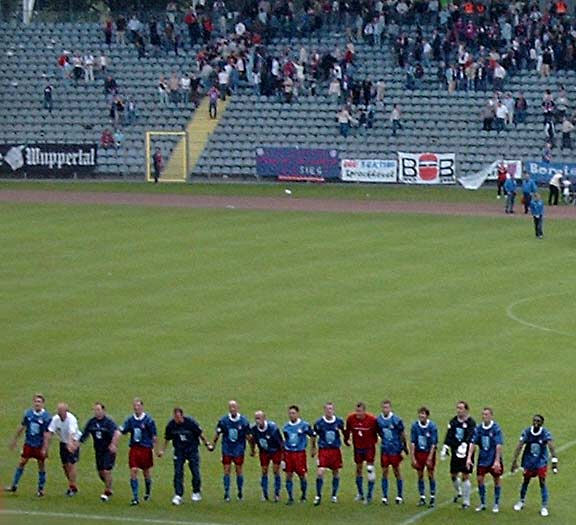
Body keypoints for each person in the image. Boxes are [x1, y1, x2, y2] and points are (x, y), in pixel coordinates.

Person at [159, 407, 212, 505]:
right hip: (179, 451)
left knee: (195, 471)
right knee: (178, 472)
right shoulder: (171, 425)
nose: (177, 419)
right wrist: (162, 450)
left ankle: (196, 491)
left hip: (192, 449)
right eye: (175, 417)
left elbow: (200, 434)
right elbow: (167, 439)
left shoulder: (191, 423)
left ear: (182, 416)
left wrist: (207, 444)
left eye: (178, 417)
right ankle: (178, 494)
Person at [511, 414, 558, 517]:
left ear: (542, 423)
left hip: (540, 462)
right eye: (534, 420)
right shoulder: (527, 432)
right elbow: (519, 446)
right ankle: (521, 501)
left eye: (538, 421)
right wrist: (514, 461)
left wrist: (554, 462)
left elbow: (551, 448)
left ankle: (544, 506)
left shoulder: (545, 433)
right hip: (529, 462)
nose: (536, 422)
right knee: (525, 481)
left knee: (542, 482)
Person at [5, 394, 51, 496]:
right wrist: (14, 440)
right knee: (21, 462)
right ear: (33, 403)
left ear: (43, 404)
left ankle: (41, 489)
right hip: (29, 444)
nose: (37, 403)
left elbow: (47, 434)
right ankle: (14, 485)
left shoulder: (46, 417)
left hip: (39, 445)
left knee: (41, 466)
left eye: (39, 402)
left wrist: (45, 448)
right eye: (36, 401)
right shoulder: (29, 414)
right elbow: (22, 427)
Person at [116, 398, 158, 506]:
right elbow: (122, 430)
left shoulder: (149, 420)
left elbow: (154, 436)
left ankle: (148, 491)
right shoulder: (130, 420)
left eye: (138, 406)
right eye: (135, 406)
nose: (136, 408)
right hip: (135, 449)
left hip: (146, 449)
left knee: (146, 472)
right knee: (133, 470)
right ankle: (135, 497)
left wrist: (155, 449)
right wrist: (115, 439)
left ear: (142, 407)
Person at [466, 407, 504, 513]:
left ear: (491, 416)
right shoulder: (479, 428)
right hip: (483, 459)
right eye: (483, 414)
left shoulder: (496, 428)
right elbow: (473, 443)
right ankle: (483, 503)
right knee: (479, 479)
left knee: (496, 480)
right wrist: (469, 457)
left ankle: (496, 503)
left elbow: (498, 445)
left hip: (493, 459)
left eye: (486, 414)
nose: (484, 416)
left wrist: (497, 461)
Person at [79, 402, 119, 501]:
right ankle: (108, 484)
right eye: (95, 410)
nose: (96, 412)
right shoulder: (92, 422)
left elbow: (116, 433)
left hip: (108, 450)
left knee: (106, 470)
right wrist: (77, 444)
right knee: (100, 472)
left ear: (103, 411)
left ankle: (107, 491)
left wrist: (113, 444)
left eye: (98, 410)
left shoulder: (108, 423)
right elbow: (85, 434)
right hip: (98, 450)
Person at [211, 400, 250, 502]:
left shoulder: (243, 421)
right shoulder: (224, 421)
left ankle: (240, 492)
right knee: (226, 470)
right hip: (227, 448)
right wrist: (213, 445)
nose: (232, 409)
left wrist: (252, 448)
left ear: (237, 408)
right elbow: (218, 433)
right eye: (231, 407)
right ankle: (227, 492)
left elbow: (248, 436)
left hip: (239, 449)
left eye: (234, 407)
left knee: (239, 470)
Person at [440, 401, 476, 509]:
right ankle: (459, 491)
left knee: (465, 475)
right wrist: (446, 446)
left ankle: (466, 501)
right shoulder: (453, 421)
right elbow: (449, 435)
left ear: (466, 410)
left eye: (461, 408)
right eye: (458, 408)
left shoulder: (471, 422)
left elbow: (471, 435)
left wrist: (465, 444)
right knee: (453, 475)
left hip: (467, 453)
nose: (459, 410)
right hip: (456, 452)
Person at [42, 403, 82, 496]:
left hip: (74, 441)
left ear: (66, 411)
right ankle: (72, 484)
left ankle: (71, 487)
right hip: (63, 442)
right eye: (58, 411)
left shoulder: (71, 419)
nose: (60, 413)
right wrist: (45, 448)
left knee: (71, 464)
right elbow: (50, 433)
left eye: (61, 411)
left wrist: (70, 444)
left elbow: (72, 433)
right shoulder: (55, 419)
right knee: (65, 465)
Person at [344, 402, 378, 504]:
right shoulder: (351, 419)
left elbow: (377, 432)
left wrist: (374, 442)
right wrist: (346, 440)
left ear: (364, 411)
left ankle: (369, 495)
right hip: (358, 448)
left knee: (370, 469)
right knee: (358, 469)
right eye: (357, 411)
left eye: (360, 411)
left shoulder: (372, 420)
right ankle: (360, 493)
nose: (358, 413)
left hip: (369, 448)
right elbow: (348, 431)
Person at [282, 405, 316, 504]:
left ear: (297, 413)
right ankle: (290, 497)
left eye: (293, 413)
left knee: (302, 475)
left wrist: (313, 448)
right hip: (289, 453)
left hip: (299, 453)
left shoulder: (304, 425)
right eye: (290, 413)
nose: (291, 415)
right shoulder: (286, 427)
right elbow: (285, 441)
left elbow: (313, 435)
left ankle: (303, 495)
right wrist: (283, 456)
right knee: (288, 475)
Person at [313, 402, 345, 506]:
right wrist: (313, 448)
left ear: (333, 410)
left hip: (335, 450)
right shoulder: (319, 423)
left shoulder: (339, 421)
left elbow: (344, 432)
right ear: (324, 410)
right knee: (320, 472)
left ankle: (334, 495)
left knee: (335, 472)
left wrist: (346, 440)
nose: (329, 411)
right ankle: (318, 495)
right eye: (327, 409)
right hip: (324, 450)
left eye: (331, 409)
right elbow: (314, 435)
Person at [376, 400, 407, 505]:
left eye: (387, 407)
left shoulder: (396, 420)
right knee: (384, 472)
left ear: (390, 408)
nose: (385, 409)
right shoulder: (379, 420)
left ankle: (399, 495)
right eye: (384, 407)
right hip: (385, 449)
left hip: (395, 449)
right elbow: (379, 432)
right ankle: (384, 496)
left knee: (397, 471)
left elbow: (402, 433)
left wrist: (403, 447)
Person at [249, 411, 284, 502]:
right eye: (256, 418)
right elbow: (252, 440)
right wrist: (252, 450)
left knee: (276, 471)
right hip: (264, 452)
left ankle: (277, 493)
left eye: (259, 418)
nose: (257, 421)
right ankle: (264, 493)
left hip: (275, 451)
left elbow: (280, 443)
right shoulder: (254, 429)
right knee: (264, 471)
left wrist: (284, 457)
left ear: (264, 418)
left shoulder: (273, 428)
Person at [410, 406, 438, 508]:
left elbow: (434, 444)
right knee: (420, 474)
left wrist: (430, 457)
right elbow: (413, 442)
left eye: (423, 414)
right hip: (419, 453)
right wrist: (412, 457)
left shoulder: (432, 427)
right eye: (420, 414)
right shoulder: (415, 426)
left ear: (427, 415)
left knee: (430, 474)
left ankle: (432, 496)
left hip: (428, 452)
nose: (421, 416)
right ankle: (422, 497)